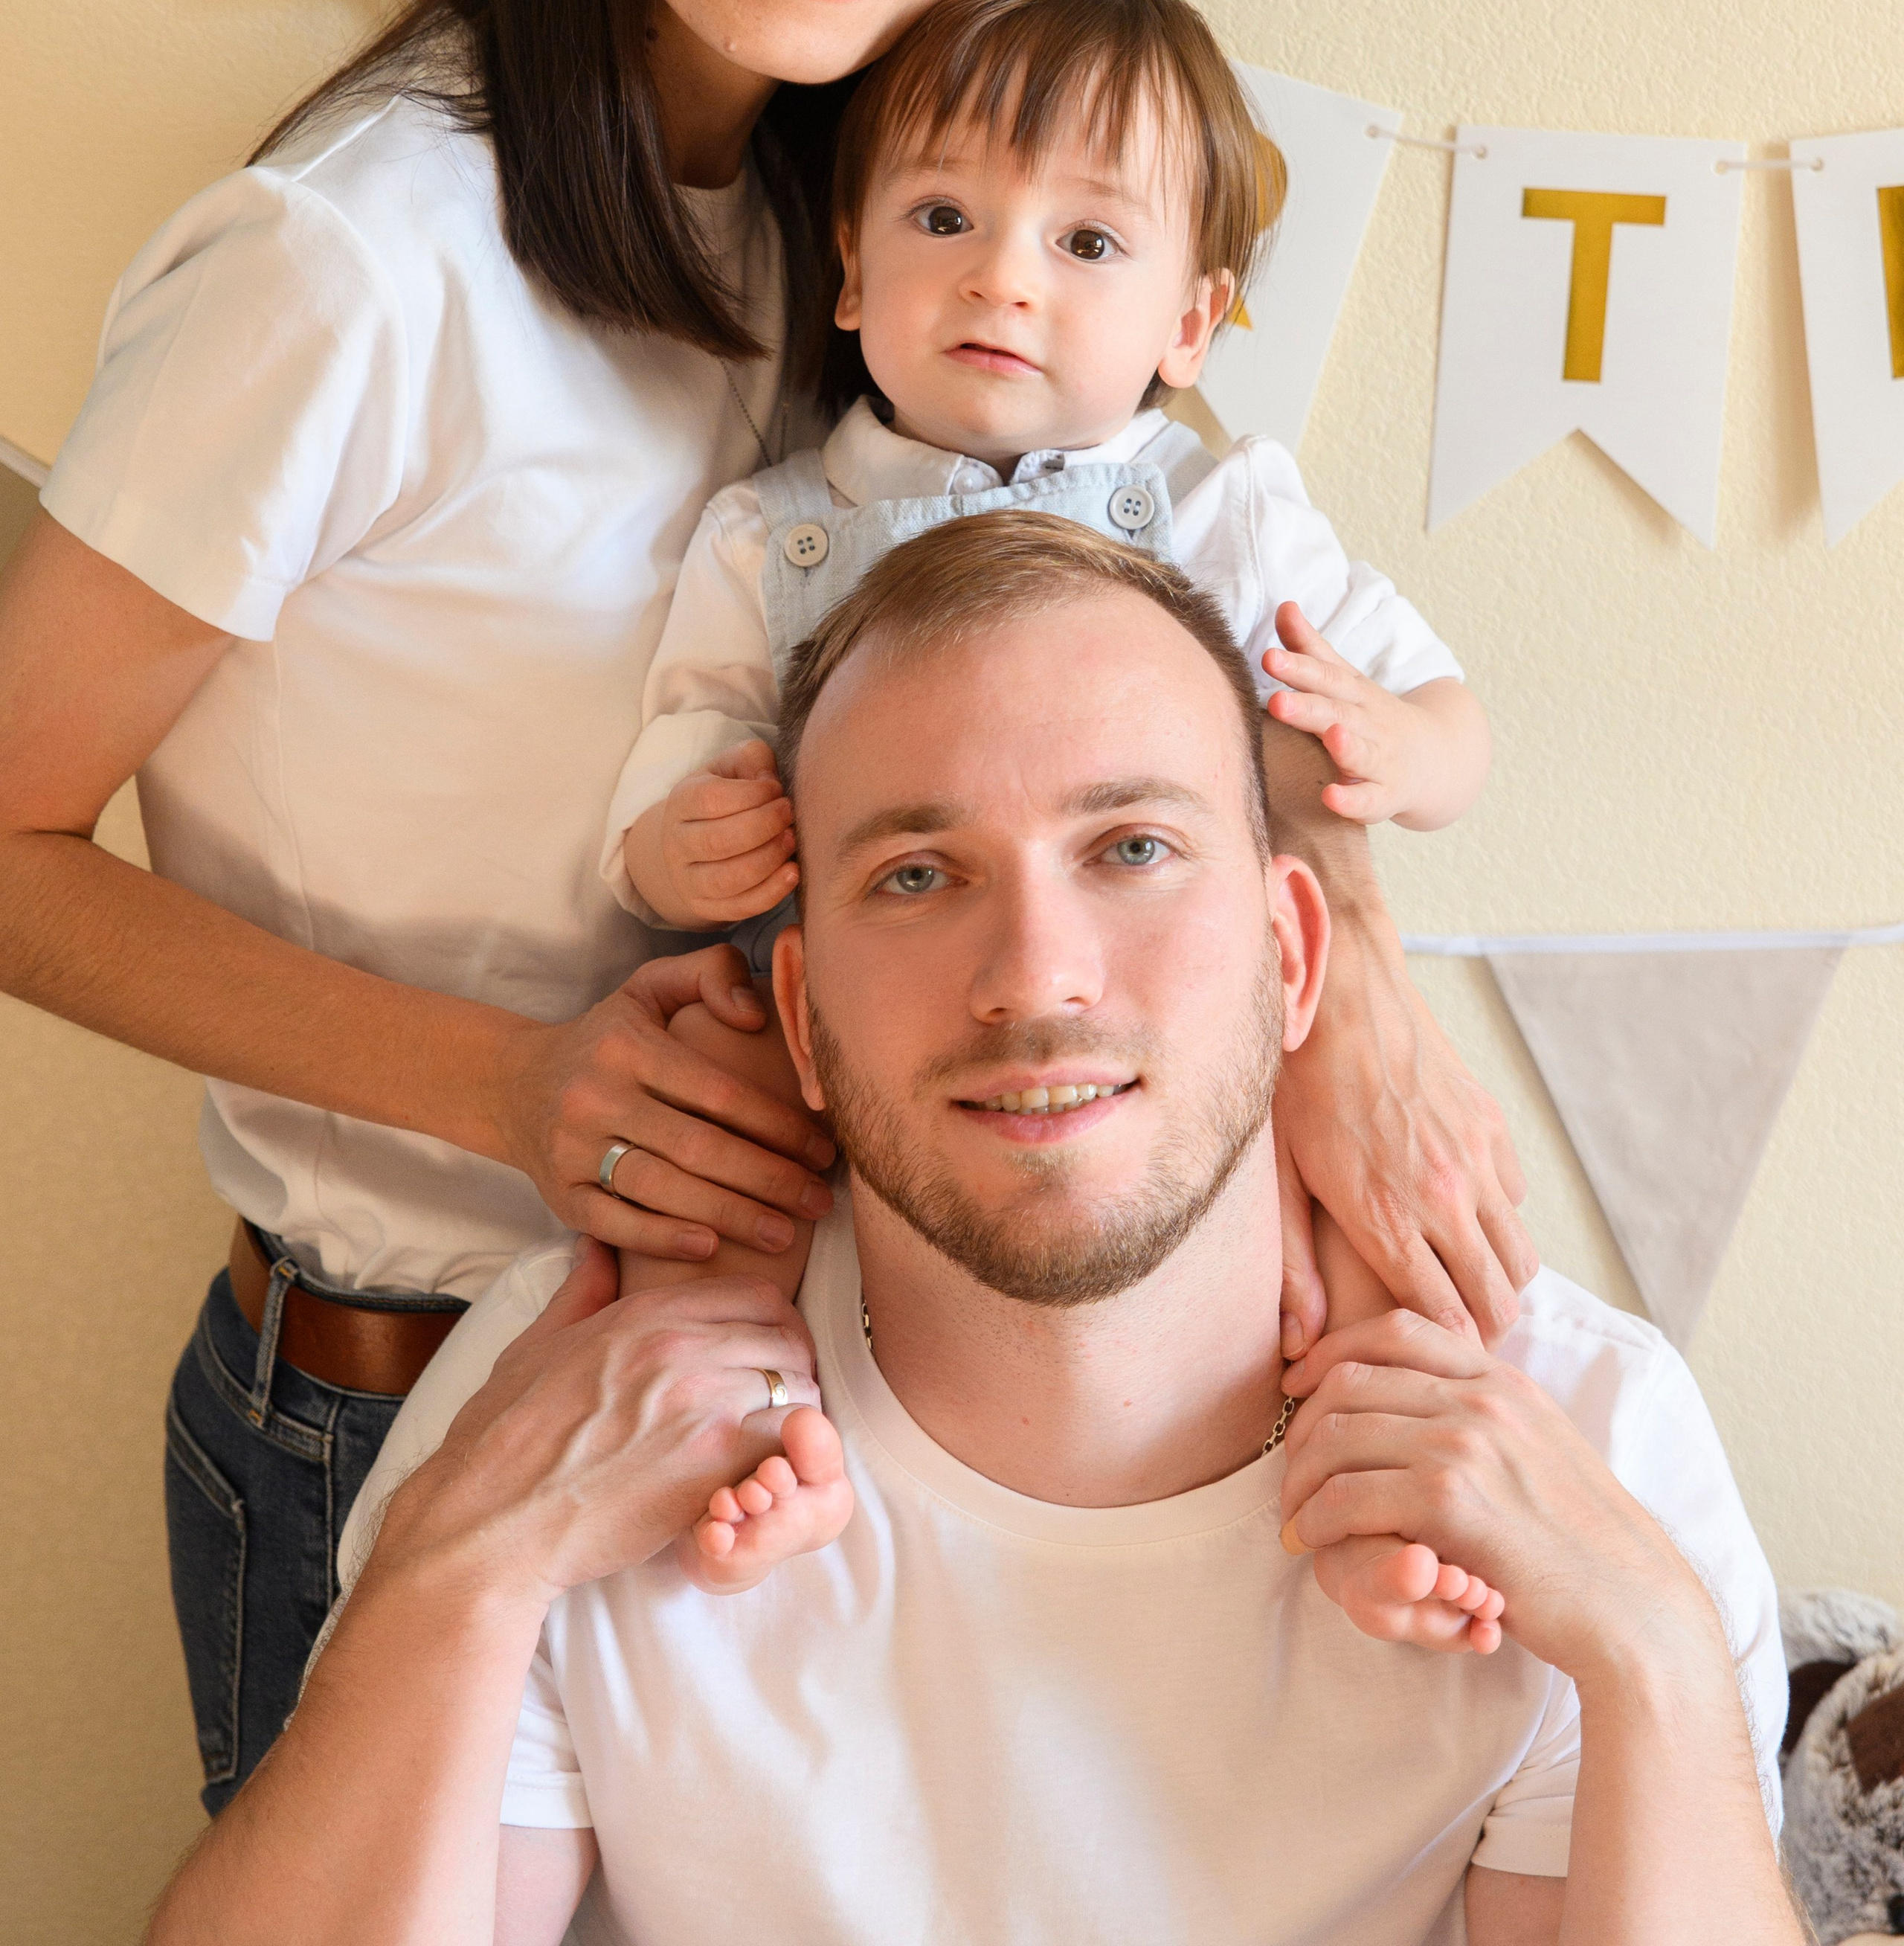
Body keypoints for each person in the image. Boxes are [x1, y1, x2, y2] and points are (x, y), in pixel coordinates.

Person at [0, 0, 1526, 1811]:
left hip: (823, 1409)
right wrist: (504, 1086)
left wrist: (1353, 994)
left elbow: (1171, 615)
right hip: (419, 1383)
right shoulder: (353, 271)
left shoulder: (905, 228)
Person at [144, 514, 1792, 1946]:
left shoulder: (1583, 1444)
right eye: (919, 878)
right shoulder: (587, 1394)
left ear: (1296, 954)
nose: (1035, 975)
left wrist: (1649, 1657)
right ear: (799, 1015)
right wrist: (465, 1567)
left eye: (1130, 848)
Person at [610, 0, 1490, 945]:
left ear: (1190, 324)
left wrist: (1407, 752)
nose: (1003, 278)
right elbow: (679, 759)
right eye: (945, 219)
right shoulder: (768, 538)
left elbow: (1442, 713)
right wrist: (674, 853)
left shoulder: (1224, 512)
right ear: (853, 271)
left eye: (1087, 240)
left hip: (1162, 1031)